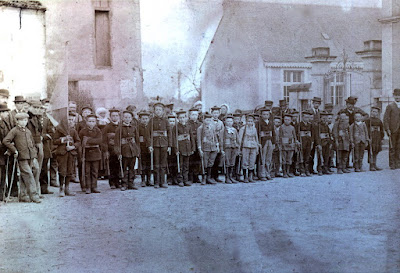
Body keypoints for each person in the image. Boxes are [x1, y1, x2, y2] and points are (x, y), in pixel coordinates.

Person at [3, 112, 41, 203]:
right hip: (22, 157)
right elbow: (6, 141)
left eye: (25, 120)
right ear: (17, 121)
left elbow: (32, 142)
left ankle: (23, 195)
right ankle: (34, 195)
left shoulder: (28, 131)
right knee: (28, 174)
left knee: (33, 171)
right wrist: (14, 150)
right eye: (21, 120)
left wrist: (34, 154)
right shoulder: (14, 131)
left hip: (31, 156)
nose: (24, 122)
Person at [53, 112, 81, 197]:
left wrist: (73, 147)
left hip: (71, 153)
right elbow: (54, 141)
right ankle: (61, 188)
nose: (71, 121)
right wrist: (63, 139)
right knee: (62, 170)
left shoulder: (73, 131)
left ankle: (67, 188)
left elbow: (78, 141)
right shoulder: (59, 130)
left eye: (72, 120)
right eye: (69, 119)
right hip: (62, 153)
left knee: (70, 171)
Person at [114, 110, 140, 191]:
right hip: (124, 151)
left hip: (133, 150)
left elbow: (137, 140)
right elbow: (117, 142)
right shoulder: (119, 129)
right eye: (125, 117)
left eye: (129, 117)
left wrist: (137, 151)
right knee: (124, 168)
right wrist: (118, 153)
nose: (127, 119)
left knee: (132, 168)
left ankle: (131, 183)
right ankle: (124, 184)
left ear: (131, 118)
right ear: (122, 118)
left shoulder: (134, 128)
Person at [148, 102, 172, 189]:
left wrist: (169, 145)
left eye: (160, 110)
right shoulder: (151, 120)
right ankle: (156, 182)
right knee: (156, 163)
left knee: (163, 164)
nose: (158, 111)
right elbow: (148, 134)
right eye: (156, 110)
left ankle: (163, 182)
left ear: (163, 111)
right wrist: (150, 145)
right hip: (155, 144)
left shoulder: (166, 120)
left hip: (164, 144)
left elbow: (169, 133)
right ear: (154, 111)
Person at [79, 114, 103, 194]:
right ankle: (88, 187)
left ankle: (94, 187)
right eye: (89, 121)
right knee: (87, 171)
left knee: (94, 171)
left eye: (93, 121)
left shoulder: (98, 131)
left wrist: (88, 140)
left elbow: (99, 141)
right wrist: (86, 142)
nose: (91, 123)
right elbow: (80, 141)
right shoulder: (82, 131)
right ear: (86, 122)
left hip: (96, 153)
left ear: (96, 122)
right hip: (86, 154)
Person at [173, 110, 195, 187]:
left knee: (186, 165)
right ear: (178, 118)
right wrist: (176, 149)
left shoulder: (189, 126)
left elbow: (191, 137)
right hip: (180, 149)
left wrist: (193, 148)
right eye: (180, 118)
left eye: (184, 117)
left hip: (188, 148)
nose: (182, 119)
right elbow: (174, 139)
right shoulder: (176, 127)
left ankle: (186, 180)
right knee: (180, 165)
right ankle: (180, 180)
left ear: (186, 118)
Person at [197, 113, 220, 185]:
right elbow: (198, 139)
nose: (208, 121)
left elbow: (215, 137)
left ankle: (209, 177)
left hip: (213, 148)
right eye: (207, 120)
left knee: (211, 162)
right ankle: (204, 178)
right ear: (203, 120)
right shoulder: (200, 128)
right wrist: (200, 148)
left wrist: (217, 145)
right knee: (205, 163)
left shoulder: (212, 127)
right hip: (205, 148)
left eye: (210, 120)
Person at [102, 107, 121, 189]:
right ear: (110, 117)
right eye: (113, 115)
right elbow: (104, 140)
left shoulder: (121, 126)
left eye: (116, 115)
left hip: (120, 149)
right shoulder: (107, 127)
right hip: (111, 149)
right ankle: (112, 182)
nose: (115, 117)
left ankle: (118, 181)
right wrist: (106, 150)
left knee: (119, 165)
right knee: (111, 165)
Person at [239, 114, 259, 183]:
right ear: (246, 121)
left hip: (253, 146)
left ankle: (251, 177)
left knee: (252, 161)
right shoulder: (243, 129)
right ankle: (245, 177)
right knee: (245, 161)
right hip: (245, 146)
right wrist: (239, 149)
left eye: (251, 121)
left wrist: (257, 148)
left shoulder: (254, 129)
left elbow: (256, 139)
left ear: (253, 122)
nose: (250, 123)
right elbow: (240, 139)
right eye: (248, 121)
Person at [257, 108, 276, 181]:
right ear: (261, 115)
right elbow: (258, 133)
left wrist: (273, 142)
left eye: (267, 114)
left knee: (269, 158)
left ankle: (268, 173)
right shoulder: (259, 123)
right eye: (264, 114)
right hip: (263, 141)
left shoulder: (271, 122)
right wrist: (259, 143)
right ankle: (262, 174)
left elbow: (273, 133)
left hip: (270, 141)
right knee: (263, 158)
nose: (265, 116)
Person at [383, 88, 400, 170]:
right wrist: (387, 129)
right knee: (392, 147)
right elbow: (386, 118)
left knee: (399, 147)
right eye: (396, 95)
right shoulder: (390, 106)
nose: (397, 97)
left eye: (399, 95)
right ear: (393, 96)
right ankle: (392, 164)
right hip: (393, 130)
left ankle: (398, 163)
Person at [278, 114, 297, 178]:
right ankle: (284, 172)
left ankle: (288, 172)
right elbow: (280, 137)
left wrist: (295, 143)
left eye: (288, 120)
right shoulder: (281, 127)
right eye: (285, 119)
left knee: (289, 159)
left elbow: (294, 137)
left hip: (291, 145)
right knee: (284, 159)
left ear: (291, 120)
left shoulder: (292, 127)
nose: (287, 121)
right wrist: (280, 145)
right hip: (284, 145)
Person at [0, 103, 12, 201]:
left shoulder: (5, 122)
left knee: (4, 173)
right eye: (5, 112)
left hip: (4, 152)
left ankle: (3, 193)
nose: (7, 114)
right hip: (1, 152)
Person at [366, 106, 384, 171]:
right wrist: (368, 138)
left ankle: (375, 164)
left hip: (377, 137)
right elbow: (366, 129)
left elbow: (382, 130)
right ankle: (371, 165)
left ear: (378, 113)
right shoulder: (368, 120)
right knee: (371, 151)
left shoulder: (379, 121)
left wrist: (382, 138)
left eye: (375, 112)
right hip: (371, 137)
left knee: (376, 151)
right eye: (373, 111)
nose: (374, 113)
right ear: (371, 112)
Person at [222, 114, 239, 184]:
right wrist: (222, 149)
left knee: (232, 162)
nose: (229, 123)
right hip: (227, 148)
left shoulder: (234, 130)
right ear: (225, 122)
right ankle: (227, 178)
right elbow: (221, 140)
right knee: (227, 162)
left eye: (231, 121)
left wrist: (238, 147)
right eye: (228, 121)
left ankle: (231, 176)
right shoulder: (223, 130)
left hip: (234, 147)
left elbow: (238, 139)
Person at [297, 110, 314, 177]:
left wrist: (312, 141)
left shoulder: (310, 125)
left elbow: (312, 134)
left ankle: (307, 170)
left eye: (308, 117)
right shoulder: (299, 124)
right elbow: (297, 134)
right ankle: (302, 171)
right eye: (305, 117)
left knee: (307, 156)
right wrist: (298, 141)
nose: (307, 119)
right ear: (302, 117)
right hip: (302, 142)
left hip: (308, 142)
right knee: (301, 156)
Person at [210, 106, 225, 182]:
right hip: (211, 143)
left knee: (217, 160)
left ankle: (216, 176)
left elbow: (222, 134)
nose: (215, 115)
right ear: (211, 113)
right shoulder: (209, 121)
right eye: (214, 113)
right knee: (211, 160)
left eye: (217, 113)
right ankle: (210, 176)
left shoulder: (221, 123)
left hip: (219, 143)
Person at [188, 108, 202, 184]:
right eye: (193, 114)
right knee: (190, 160)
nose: (194, 116)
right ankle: (190, 177)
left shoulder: (200, 124)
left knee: (197, 161)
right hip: (190, 144)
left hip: (198, 144)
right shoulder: (187, 124)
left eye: (196, 115)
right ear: (189, 115)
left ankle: (196, 176)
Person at [138, 111, 151, 186]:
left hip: (149, 148)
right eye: (143, 119)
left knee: (149, 164)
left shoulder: (150, 127)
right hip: (142, 147)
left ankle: (148, 180)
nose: (145, 120)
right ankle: (143, 180)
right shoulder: (138, 127)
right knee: (143, 164)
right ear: (140, 119)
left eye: (146, 118)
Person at [309, 96, 322, 174]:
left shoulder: (321, 112)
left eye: (318, 103)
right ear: (313, 103)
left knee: (319, 152)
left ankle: (319, 168)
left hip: (319, 135)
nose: (316, 105)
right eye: (315, 103)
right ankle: (310, 168)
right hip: (311, 134)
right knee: (311, 152)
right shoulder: (309, 111)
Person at [167, 115, 178, 185]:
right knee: (169, 163)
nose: (172, 123)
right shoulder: (167, 129)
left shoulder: (176, 129)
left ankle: (175, 177)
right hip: (168, 147)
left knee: (176, 163)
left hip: (175, 147)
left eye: (173, 121)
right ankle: (169, 178)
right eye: (170, 121)